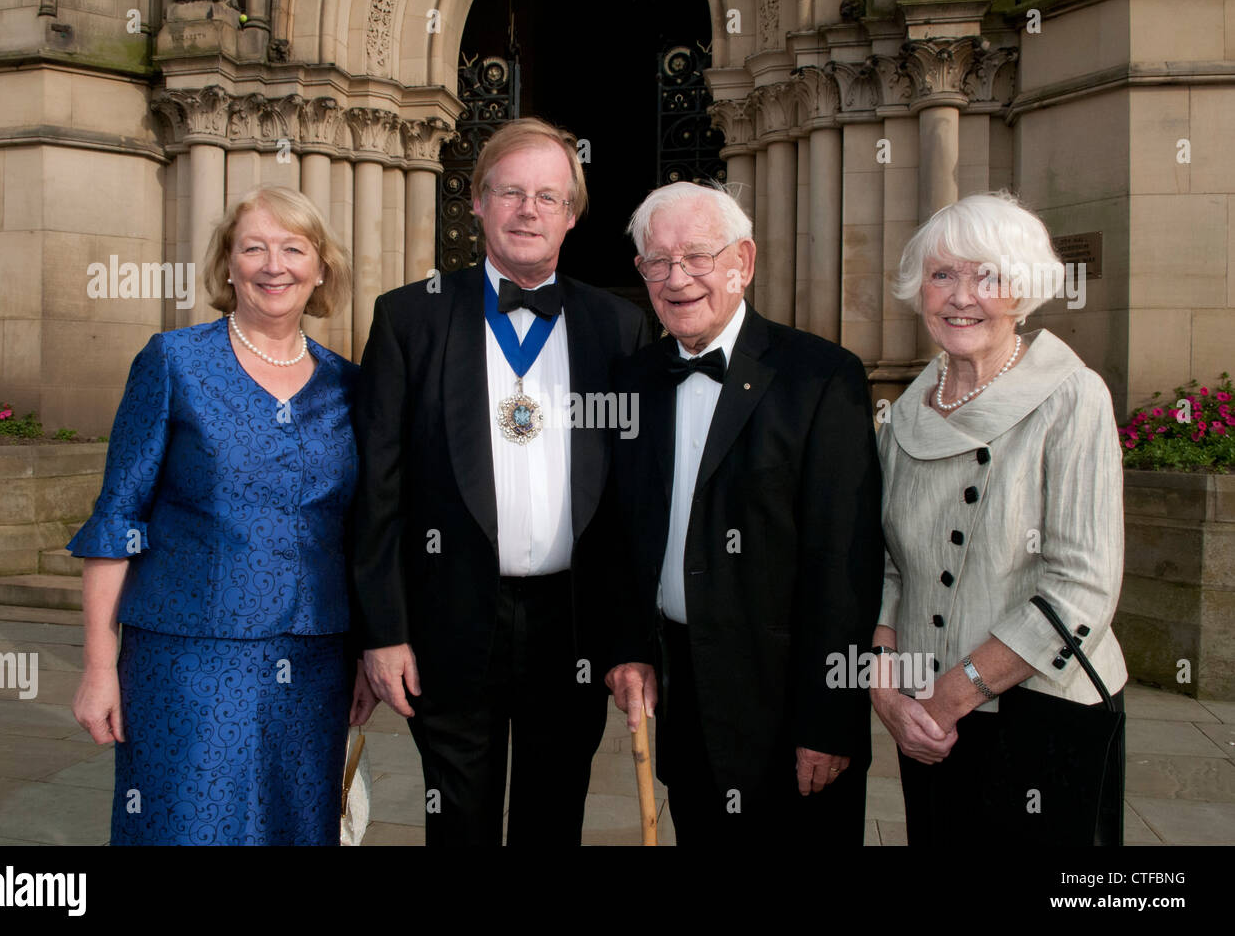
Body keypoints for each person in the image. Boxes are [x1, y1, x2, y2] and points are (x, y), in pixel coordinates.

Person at [352, 117, 649, 846]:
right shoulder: (408, 318)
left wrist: (631, 638)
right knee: (456, 819)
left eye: (548, 196)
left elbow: (634, 504)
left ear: (572, 215)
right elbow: (376, 492)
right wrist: (382, 631)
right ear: (477, 204)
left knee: (555, 817)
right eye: (510, 192)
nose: (528, 210)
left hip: (570, 624)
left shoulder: (619, 327)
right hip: (448, 617)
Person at [69, 185, 376, 846]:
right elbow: (119, 516)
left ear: (321, 268)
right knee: (186, 825)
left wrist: (362, 653)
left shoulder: (349, 385)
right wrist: (99, 663)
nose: (275, 265)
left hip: (313, 660)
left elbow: (357, 533)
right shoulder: (174, 362)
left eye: (294, 248)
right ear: (227, 265)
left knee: (295, 828)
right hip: (187, 660)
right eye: (254, 247)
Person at [604, 181, 884, 844]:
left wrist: (830, 717)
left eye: (698, 255)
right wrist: (628, 650)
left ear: (743, 262)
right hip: (683, 690)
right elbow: (620, 532)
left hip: (788, 701)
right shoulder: (633, 379)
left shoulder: (822, 377)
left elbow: (846, 562)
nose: (678, 278)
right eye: (657, 262)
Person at [873, 190, 1128, 845]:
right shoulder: (902, 414)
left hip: (1040, 712)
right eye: (942, 274)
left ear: (1024, 288)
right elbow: (887, 566)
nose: (962, 296)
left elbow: (1082, 587)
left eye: (988, 275)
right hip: (924, 719)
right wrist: (884, 686)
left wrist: (947, 699)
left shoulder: (1071, 397)